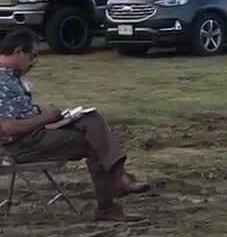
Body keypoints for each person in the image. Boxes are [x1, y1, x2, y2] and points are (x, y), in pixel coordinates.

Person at [0, 28, 149, 220]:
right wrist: (45, 118)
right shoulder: (2, 80)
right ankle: (109, 201)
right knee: (94, 143)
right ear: (19, 51)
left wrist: (45, 113)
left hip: (34, 134)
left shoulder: (10, 76)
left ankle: (118, 180)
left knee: (91, 118)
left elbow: (18, 113)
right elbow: (6, 128)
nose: (35, 62)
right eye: (33, 55)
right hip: (22, 145)